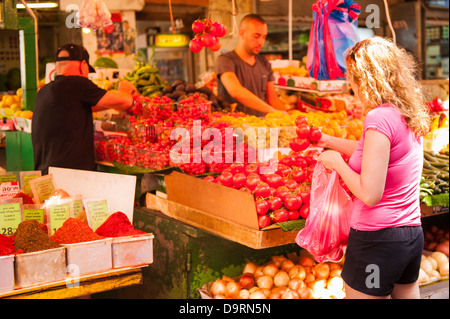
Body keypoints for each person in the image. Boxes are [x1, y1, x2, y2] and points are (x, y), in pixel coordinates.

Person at [316, 37, 430, 299]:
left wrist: (336, 163)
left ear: (366, 79)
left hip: (377, 241)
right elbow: (375, 154)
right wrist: (328, 140)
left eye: (352, 81)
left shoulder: (377, 117)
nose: (351, 88)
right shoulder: (407, 113)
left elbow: (370, 194)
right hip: (410, 237)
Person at [32, 43, 137, 175]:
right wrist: (124, 89)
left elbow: (81, 108)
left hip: (46, 173)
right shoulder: (77, 83)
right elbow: (126, 100)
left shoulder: (45, 91)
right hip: (70, 176)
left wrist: (112, 103)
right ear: (83, 65)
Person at [216, 14, 291, 116]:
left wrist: (289, 117)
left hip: (261, 127)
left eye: (264, 37)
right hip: (235, 127)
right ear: (242, 33)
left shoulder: (264, 62)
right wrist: (272, 111)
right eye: (256, 36)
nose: (261, 42)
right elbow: (235, 90)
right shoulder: (225, 60)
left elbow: (273, 99)